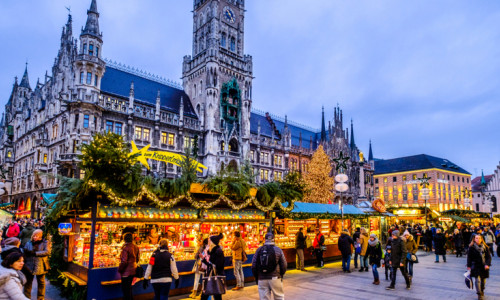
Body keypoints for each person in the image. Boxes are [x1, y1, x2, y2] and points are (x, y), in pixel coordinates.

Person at [252, 233, 287, 300]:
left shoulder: (259, 250)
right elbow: (284, 265)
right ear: (274, 239)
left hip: (262, 279)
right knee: (279, 297)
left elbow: (254, 265)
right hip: (275, 278)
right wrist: (281, 275)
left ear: (264, 239)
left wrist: (257, 277)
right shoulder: (278, 250)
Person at [23, 229, 50, 299]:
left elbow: (47, 252)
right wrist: (26, 251)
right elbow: (25, 251)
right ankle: (26, 297)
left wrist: (35, 253)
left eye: (37, 236)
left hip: (40, 264)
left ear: (40, 236)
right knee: (28, 282)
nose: (35, 237)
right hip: (29, 265)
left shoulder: (45, 243)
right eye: (34, 236)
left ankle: (41, 298)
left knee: (41, 282)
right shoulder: (29, 242)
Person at [200, 233, 225, 300]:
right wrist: (203, 259)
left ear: (213, 242)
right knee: (213, 295)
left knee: (214, 295)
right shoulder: (213, 250)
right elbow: (211, 264)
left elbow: (217, 265)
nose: (208, 241)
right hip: (211, 276)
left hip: (215, 276)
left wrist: (208, 262)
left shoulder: (218, 251)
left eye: (209, 240)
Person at [467, 234, 492, 300]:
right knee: (477, 280)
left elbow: (488, 257)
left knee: (483, 280)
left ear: (482, 239)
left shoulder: (485, 247)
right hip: (475, 265)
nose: (478, 239)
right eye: (476, 238)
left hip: (484, 266)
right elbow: (469, 257)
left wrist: (487, 264)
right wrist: (468, 266)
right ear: (474, 239)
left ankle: (482, 290)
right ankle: (479, 293)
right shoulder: (471, 247)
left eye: (479, 238)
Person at [118, 232, 140, 300]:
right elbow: (137, 258)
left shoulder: (125, 248)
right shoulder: (136, 247)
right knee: (129, 289)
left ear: (124, 239)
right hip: (133, 270)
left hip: (126, 272)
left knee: (126, 290)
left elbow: (124, 261)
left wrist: (120, 269)